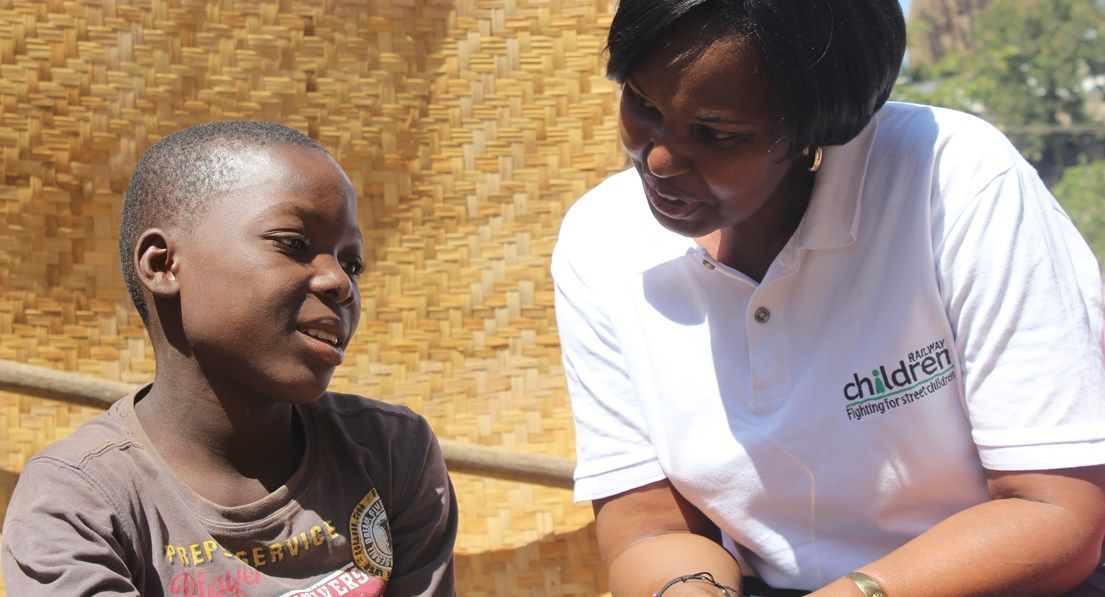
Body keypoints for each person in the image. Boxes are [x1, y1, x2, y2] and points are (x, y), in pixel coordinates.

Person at [552, 1, 1105, 595]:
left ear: (816, 127)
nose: (659, 159)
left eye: (716, 135)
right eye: (642, 103)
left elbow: (1056, 511)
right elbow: (648, 532)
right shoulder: (601, 242)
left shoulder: (957, 184)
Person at [2, 121, 458, 596]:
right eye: (293, 243)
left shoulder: (388, 454)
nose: (340, 282)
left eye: (352, 263)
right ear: (162, 265)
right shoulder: (81, 501)